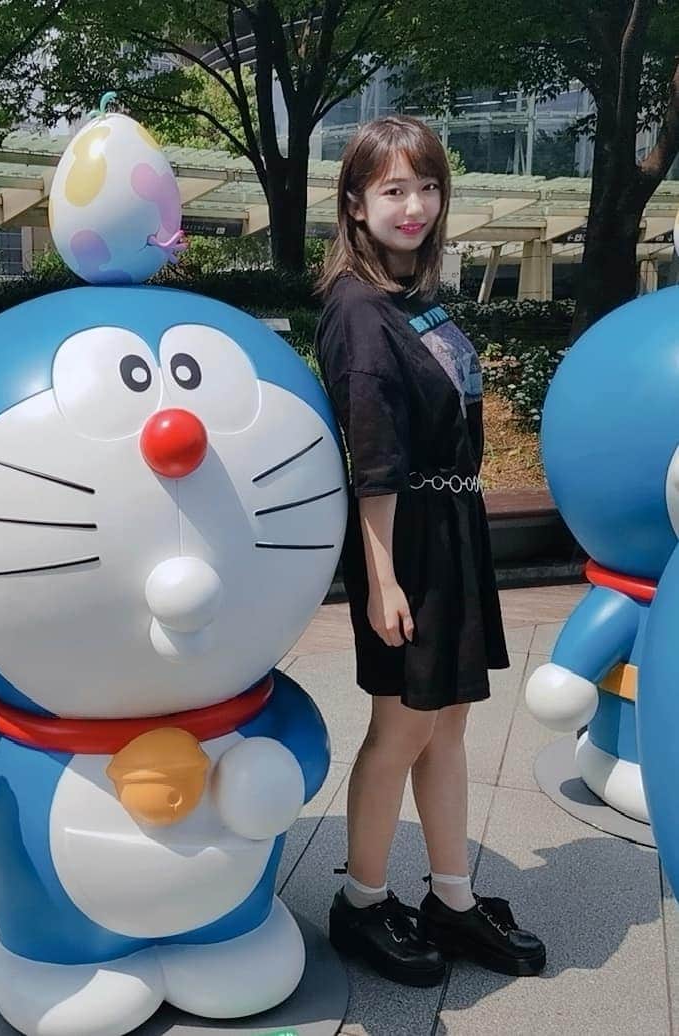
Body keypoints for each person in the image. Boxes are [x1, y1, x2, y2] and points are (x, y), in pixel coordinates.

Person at [314, 115, 546, 986]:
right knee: (403, 726)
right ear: (355, 203)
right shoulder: (358, 309)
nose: (414, 205)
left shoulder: (414, 297)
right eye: (393, 190)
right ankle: (362, 904)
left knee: (448, 723)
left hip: (450, 525)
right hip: (404, 535)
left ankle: (452, 898)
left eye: (427, 187)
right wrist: (382, 579)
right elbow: (371, 455)